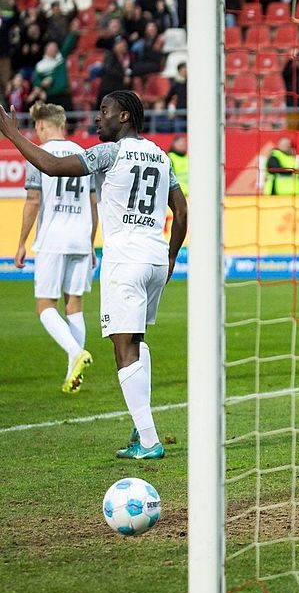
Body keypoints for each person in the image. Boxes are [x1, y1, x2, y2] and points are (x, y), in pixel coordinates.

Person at [0, 89, 189, 460]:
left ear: (125, 117)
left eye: (104, 111)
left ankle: (149, 441)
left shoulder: (109, 153)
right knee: (137, 339)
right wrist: (170, 256)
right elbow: (181, 212)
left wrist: (12, 134)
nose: (98, 118)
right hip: (154, 259)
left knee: (123, 349)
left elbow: (52, 166)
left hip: (126, 261)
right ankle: (141, 426)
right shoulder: (161, 155)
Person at [14, 102, 98, 394]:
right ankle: (72, 374)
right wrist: (91, 244)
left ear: (40, 126)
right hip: (80, 238)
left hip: (53, 238)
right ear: (63, 125)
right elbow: (93, 204)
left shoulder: (38, 154)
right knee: (74, 304)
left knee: (45, 306)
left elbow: (33, 201)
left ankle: (76, 353)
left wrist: (21, 243)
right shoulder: (83, 154)